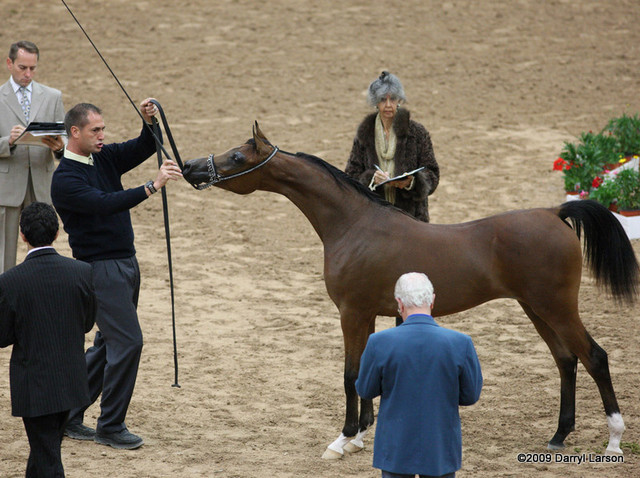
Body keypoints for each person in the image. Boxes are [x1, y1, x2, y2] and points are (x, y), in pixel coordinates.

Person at [51, 100, 182, 450]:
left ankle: (68, 414)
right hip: (99, 271)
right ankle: (110, 425)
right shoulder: (65, 179)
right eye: (95, 131)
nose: (102, 136)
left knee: (108, 344)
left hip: (126, 263)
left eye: (103, 129)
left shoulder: (103, 156)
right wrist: (151, 187)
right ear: (74, 132)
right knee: (128, 343)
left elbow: (142, 147)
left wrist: (148, 121)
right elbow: (103, 202)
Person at [0, 202, 96, 477]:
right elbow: (87, 323)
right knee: (45, 448)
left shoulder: (9, 281)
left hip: (35, 386)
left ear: (22, 235)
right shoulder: (82, 272)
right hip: (72, 381)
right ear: (56, 234)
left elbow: (2, 336)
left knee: (46, 453)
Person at [356, 272, 483, 478]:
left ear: (399, 303)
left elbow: (365, 390)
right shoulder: (461, 343)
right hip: (440, 449)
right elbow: (470, 397)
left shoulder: (378, 342)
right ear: (432, 301)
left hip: (395, 449)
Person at [0, 41, 65, 272]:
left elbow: (63, 140)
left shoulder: (53, 96)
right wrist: (8, 141)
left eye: (33, 68)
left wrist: (58, 147)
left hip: (41, 182)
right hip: (7, 186)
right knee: (3, 255)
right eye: (22, 67)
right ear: (9, 64)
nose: (28, 74)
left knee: (42, 252)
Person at [345, 71, 439, 222]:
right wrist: (370, 179)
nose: (388, 105)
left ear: (399, 100)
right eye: (383, 99)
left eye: (393, 99)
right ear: (375, 102)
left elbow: (432, 174)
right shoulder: (364, 135)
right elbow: (350, 176)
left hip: (411, 220)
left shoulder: (418, 133)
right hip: (374, 219)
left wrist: (411, 182)